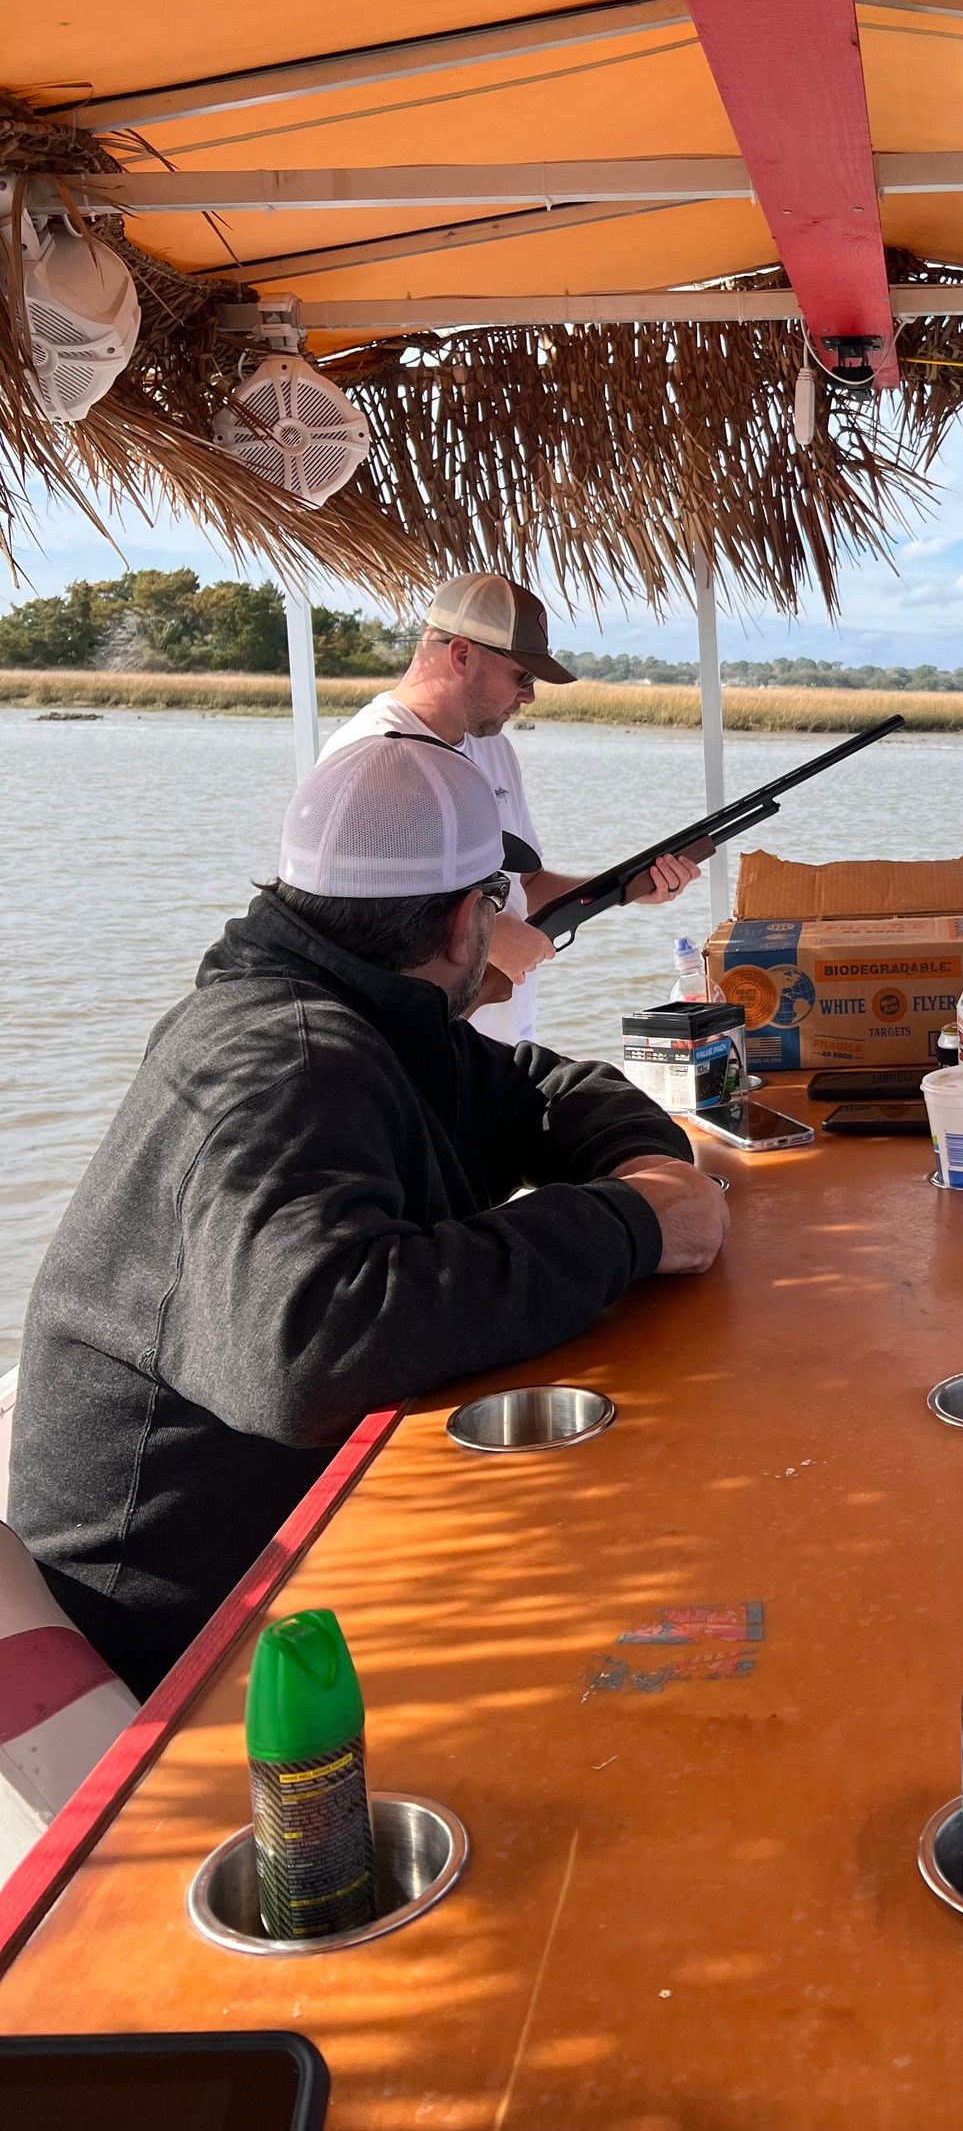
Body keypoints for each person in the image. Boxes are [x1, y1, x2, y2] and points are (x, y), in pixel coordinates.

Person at [10, 736, 727, 1696]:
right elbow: (309, 1348)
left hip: (293, 1555)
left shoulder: (355, 1014)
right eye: (496, 901)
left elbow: (541, 1086)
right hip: (183, 1642)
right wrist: (629, 1227)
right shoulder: (289, 1058)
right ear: (463, 918)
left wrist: (646, 1174)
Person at [322, 572, 701, 1042]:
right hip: (418, 1053)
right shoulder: (368, 754)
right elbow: (348, 929)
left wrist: (627, 887)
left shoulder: (494, 748)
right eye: (522, 676)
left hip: (506, 1042)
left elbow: (526, 884)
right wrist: (491, 937)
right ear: (461, 655)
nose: (529, 696)